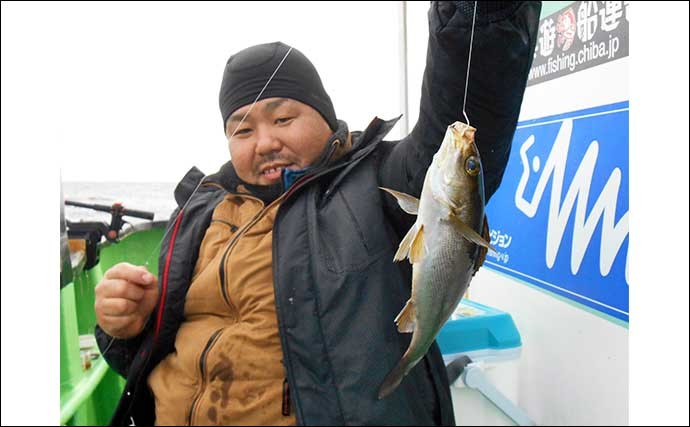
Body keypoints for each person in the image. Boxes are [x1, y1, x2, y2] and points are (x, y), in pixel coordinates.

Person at [94, 2, 540, 425]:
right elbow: (141, 361)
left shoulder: (383, 182)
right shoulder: (198, 209)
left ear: (326, 118)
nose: (264, 141)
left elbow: (469, 95)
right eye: (242, 129)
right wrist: (125, 327)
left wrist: (479, 15)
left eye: (283, 118)